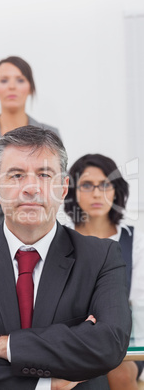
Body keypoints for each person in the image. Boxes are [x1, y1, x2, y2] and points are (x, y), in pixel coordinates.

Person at [0, 126, 131, 390]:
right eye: (16, 175)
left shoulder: (101, 257)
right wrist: (45, 384)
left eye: (44, 175)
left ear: (63, 188)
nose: (31, 188)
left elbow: (109, 344)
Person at [64, 153, 144, 390]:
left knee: (120, 373)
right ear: (73, 191)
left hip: (123, 338)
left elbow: (139, 302)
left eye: (105, 185)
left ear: (116, 190)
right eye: (87, 185)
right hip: (70, 337)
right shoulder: (61, 236)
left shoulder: (134, 238)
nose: (97, 194)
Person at [0, 55, 60, 227]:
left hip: (39, 230)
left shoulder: (50, 134)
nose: (11, 86)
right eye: (4, 80)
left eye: (20, 80)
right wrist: (32, 191)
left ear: (31, 87)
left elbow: (55, 190)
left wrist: (3, 187)